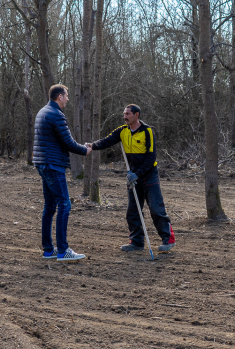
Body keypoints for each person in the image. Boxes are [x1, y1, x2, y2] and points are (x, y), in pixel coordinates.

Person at [88, 104, 175, 252]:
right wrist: (92, 146)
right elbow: (107, 141)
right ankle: (136, 242)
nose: (124, 116)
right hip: (132, 176)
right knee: (133, 212)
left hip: (148, 176)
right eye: (124, 114)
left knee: (156, 208)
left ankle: (168, 239)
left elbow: (151, 156)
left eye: (128, 114)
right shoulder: (122, 131)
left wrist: (138, 174)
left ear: (136, 115)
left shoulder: (147, 131)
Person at [33, 84, 91, 261]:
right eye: (66, 96)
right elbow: (68, 142)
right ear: (59, 97)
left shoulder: (43, 111)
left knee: (49, 207)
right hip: (53, 165)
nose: (67, 99)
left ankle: (48, 250)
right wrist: (85, 150)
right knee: (64, 204)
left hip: (43, 164)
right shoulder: (56, 114)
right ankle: (63, 251)